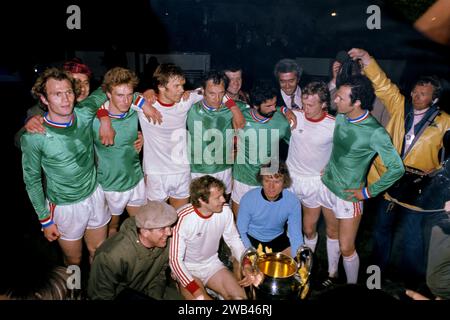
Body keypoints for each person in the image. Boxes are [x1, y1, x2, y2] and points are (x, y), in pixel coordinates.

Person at [348, 48, 450, 285]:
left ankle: (411, 280)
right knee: (381, 230)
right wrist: (367, 59)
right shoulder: (400, 106)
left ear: (434, 98)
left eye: (423, 94)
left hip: (420, 187)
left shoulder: (445, 121)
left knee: (413, 237)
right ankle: (376, 271)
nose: (416, 96)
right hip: (392, 181)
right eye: (415, 90)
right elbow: (383, 85)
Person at [316, 75, 404, 285]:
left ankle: (353, 288)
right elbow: (338, 149)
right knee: (330, 232)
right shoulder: (340, 117)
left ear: (357, 102)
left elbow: (397, 168)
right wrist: (328, 166)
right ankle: (332, 274)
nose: (335, 101)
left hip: (349, 196)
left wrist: (368, 192)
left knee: (347, 247)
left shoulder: (375, 132)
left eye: (340, 98)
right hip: (328, 186)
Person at [20, 68, 113, 266]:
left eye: (68, 92)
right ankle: (74, 293)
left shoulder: (84, 112)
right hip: (65, 206)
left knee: (98, 251)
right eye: (57, 94)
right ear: (44, 99)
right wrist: (45, 219)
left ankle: (97, 293)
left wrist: (146, 96)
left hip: (94, 194)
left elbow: (110, 85)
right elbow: (32, 180)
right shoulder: (34, 137)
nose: (65, 99)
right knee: (73, 260)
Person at [139, 63, 244, 210]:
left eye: (183, 85)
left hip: (182, 169)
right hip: (156, 173)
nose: (182, 90)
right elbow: (119, 97)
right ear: (162, 86)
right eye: (177, 86)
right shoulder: (146, 104)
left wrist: (233, 107)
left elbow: (212, 92)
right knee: (156, 220)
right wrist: (144, 100)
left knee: (181, 216)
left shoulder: (185, 100)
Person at [169, 175, 259, 300]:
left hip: (212, 264)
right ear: (202, 200)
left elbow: (233, 240)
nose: (223, 199)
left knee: (241, 299)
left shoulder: (225, 211)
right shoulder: (182, 218)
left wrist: (247, 264)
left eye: (222, 195)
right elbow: (175, 261)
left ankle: (214, 290)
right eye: (218, 197)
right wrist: (196, 291)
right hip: (188, 269)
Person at [285, 82, 337, 269]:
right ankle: (290, 263)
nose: (305, 109)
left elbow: (346, 150)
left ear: (323, 104)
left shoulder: (333, 125)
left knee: (308, 229)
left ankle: (306, 265)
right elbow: (274, 107)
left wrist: (332, 166)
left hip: (314, 182)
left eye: (310, 105)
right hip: (290, 179)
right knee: (289, 226)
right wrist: (284, 109)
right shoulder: (296, 115)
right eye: (303, 104)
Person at [88, 201, 182, 300]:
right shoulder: (111, 256)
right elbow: (101, 294)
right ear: (145, 232)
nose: (169, 233)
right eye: (162, 229)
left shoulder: (165, 242)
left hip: (147, 289)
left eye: (170, 227)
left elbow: (159, 275)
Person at [94, 67, 147, 236]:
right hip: (111, 185)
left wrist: (144, 137)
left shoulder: (134, 111)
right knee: (112, 229)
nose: (126, 100)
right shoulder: (94, 120)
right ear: (108, 94)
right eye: (119, 95)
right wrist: (103, 117)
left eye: (129, 94)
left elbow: (143, 97)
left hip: (136, 179)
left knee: (143, 226)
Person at [231, 83, 291, 217]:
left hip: (268, 179)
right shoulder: (241, 115)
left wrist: (285, 110)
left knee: (263, 222)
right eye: (268, 106)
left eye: (275, 104)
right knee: (240, 221)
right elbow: (221, 98)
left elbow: (294, 145)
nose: (273, 109)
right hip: (242, 177)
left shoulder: (282, 122)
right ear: (255, 106)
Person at [187, 70, 248, 197]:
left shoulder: (234, 106)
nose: (217, 99)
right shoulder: (190, 107)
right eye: (212, 94)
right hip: (197, 170)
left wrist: (284, 109)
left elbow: (263, 109)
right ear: (202, 91)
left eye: (221, 94)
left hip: (224, 169)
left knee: (221, 207)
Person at [14, 58, 93, 148]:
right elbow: (19, 141)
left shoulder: (91, 105)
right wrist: (30, 125)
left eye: (86, 83)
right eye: (76, 82)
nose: (82, 88)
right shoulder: (42, 110)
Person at [237, 162, 303, 257]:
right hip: (251, 238)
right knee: (242, 265)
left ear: (284, 182)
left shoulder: (293, 202)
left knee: (294, 266)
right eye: (267, 180)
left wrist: (298, 258)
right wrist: (250, 253)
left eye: (277, 181)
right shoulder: (248, 199)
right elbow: (241, 231)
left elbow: (295, 235)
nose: (271, 187)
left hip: (277, 238)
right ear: (261, 180)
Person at [328, 51, 390, 127]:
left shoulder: (381, 98)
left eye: (361, 65)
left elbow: (385, 130)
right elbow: (330, 104)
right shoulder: (346, 88)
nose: (356, 71)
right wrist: (335, 79)